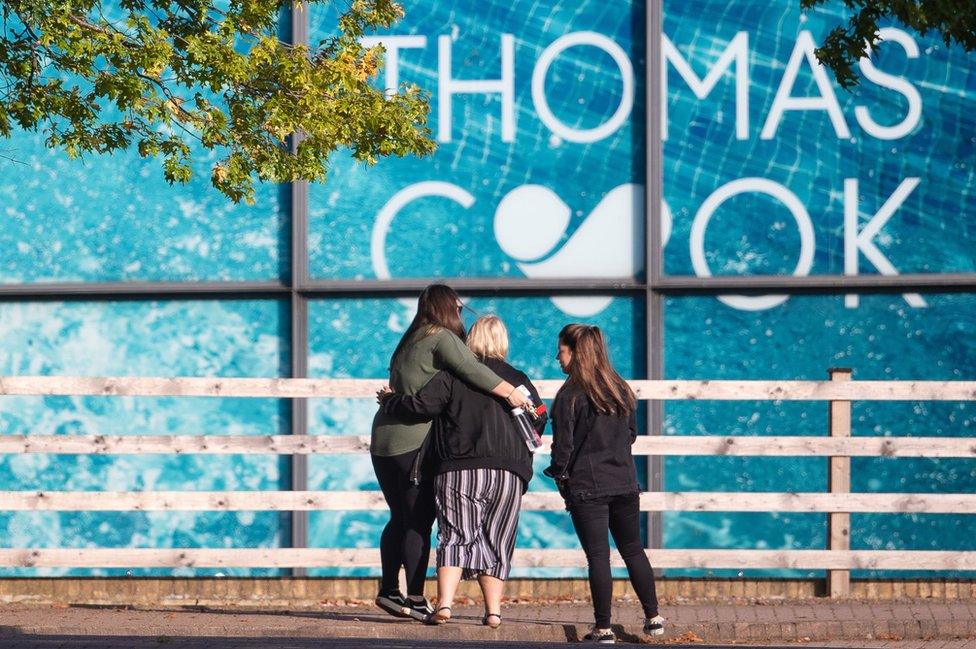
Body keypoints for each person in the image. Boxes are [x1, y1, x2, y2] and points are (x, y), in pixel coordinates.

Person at [371, 286, 533, 621]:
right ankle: (415, 595)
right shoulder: (442, 337)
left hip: (384, 440)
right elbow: (473, 369)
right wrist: (510, 393)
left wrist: (390, 400)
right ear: (448, 309)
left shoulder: (411, 338)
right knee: (418, 520)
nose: (461, 315)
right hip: (412, 442)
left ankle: (389, 589)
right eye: (458, 309)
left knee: (399, 516)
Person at [544, 324, 664, 644]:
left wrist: (556, 472)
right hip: (625, 482)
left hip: (587, 486)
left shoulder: (570, 394)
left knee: (598, 557)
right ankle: (653, 617)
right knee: (633, 550)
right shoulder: (620, 388)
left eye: (562, 350)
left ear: (576, 352)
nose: (557, 356)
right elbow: (631, 435)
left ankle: (604, 627)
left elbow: (563, 448)